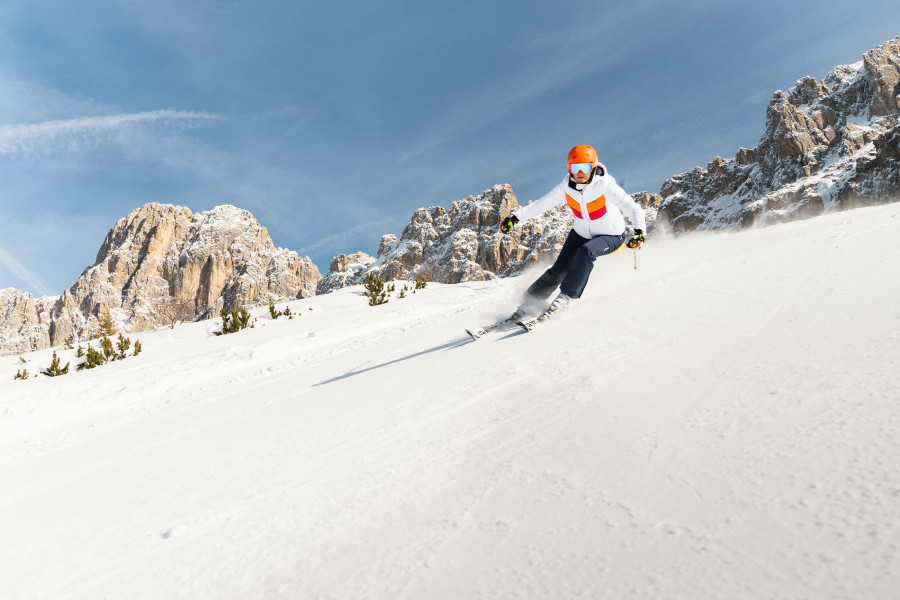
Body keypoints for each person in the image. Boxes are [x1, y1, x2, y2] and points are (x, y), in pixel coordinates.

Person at [499, 144, 646, 320]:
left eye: (585, 167)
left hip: (611, 235)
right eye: (575, 168)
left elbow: (632, 208)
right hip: (581, 233)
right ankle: (528, 304)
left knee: (586, 253)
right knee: (558, 270)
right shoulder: (566, 186)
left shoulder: (605, 185)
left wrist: (639, 233)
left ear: (593, 166)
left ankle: (568, 296)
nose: (580, 173)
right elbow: (543, 203)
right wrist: (515, 218)